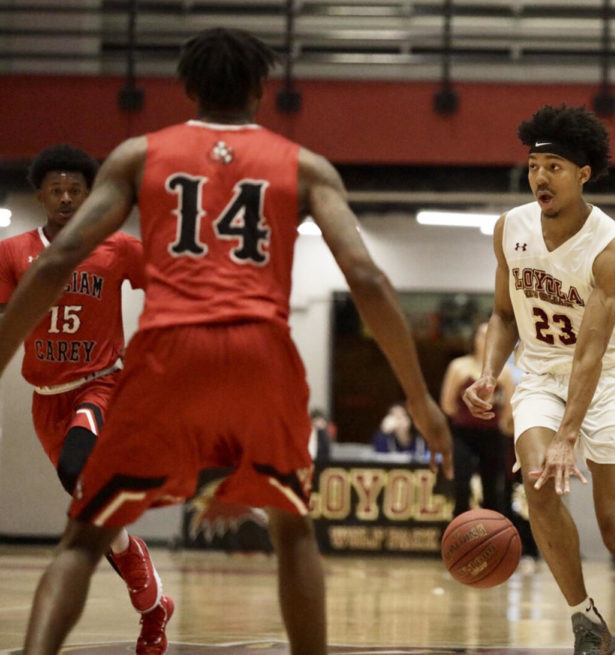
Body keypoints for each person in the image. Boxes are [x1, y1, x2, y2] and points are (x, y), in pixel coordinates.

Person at [0, 28, 453, 655]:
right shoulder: (306, 166)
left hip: (168, 350)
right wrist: (420, 397)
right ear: (262, 91)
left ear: (186, 88)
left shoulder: (138, 155)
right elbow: (369, 279)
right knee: (294, 533)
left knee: (83, 537)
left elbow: (59, 261)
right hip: (260, 351)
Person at [464, 105, 615, 655]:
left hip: (604, 378)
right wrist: (490, 372)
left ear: (584, 174)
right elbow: (504, 314)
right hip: (538, 370)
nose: (540, 176)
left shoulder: (613, 249)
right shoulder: (509, 228)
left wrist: (568, 435)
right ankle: (586, 620)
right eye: (534, 164)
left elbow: (590, 352)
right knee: (537, 485)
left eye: (555, 166)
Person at [0, 144, 171, 653]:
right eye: (57, 189)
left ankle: (148, 591)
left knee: (79, 472)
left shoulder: (117, 247)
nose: (67, 197)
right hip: (44, 398)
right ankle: (153, 604)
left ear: (90, 194)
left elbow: (166, 284)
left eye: (76, 189)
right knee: (90, 506)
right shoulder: (12, 252)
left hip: (100, 384)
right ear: (41, 195)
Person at [440, 322, 515, 516]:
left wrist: (500, 424)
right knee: (461, 486)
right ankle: (460, 535)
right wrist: (468, 415)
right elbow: (447, 404)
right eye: (482, 335)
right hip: (463, 435)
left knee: (492, 489)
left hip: (492, 435)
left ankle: (492, 536)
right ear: (474, 339)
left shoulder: (505, 372)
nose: (486, 339)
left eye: (491, 335)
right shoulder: (459, 366)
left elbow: (510, 407)